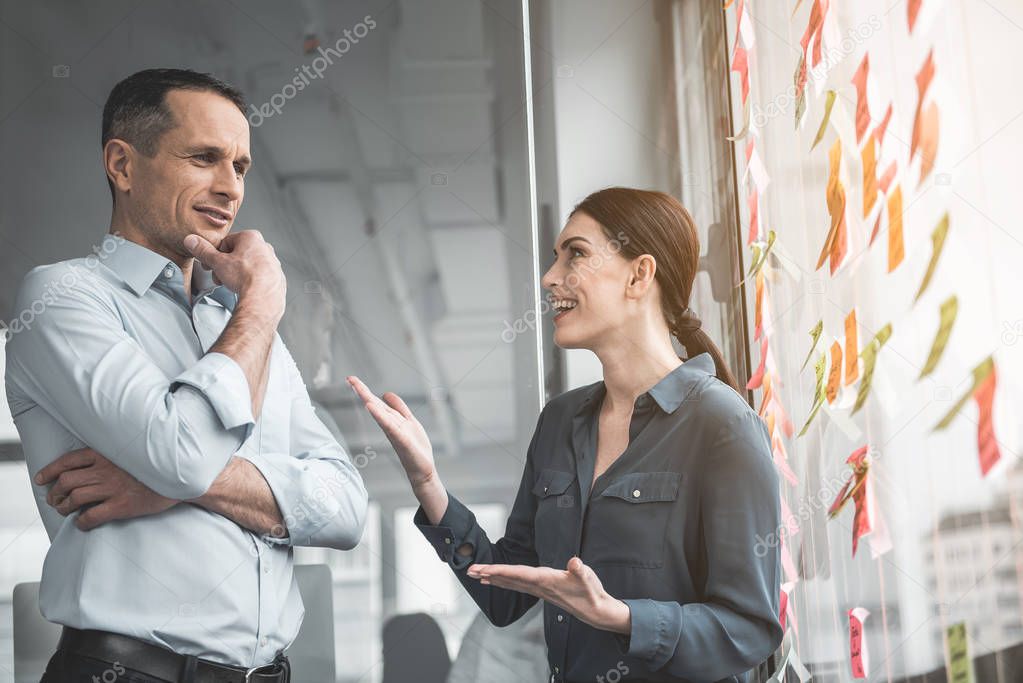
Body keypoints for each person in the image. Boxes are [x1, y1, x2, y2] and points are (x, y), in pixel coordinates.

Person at [4, 68, 368, 682]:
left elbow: (345, 507)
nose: (230, 188)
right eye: (204, 158)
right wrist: (262, 303)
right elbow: (181, 453)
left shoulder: (242, 330)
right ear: (122, 165)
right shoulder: (65, 297)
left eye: (241, 167)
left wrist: (166, 485)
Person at [349, 187, 783, 683]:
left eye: (575, 253)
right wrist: (427, 482)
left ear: (639, 275)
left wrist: (620, 616)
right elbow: (507, 595)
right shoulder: (560, 421)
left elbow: (749, 629)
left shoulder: (721, 425)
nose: (549, 277)